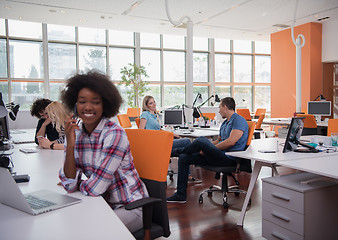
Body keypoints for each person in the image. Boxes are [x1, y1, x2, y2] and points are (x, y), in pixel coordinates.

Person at [59, 70, 148, 233]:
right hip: (100, 203)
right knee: (66, 224)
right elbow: (69, 181)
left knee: (90, 232)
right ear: (74, 105)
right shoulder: (75, 133)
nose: (88, 107)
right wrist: (70, 144)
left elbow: (94, 188)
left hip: (130, 207)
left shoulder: (114, 134)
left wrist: (78, 184)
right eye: (82, 101)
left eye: (95, 102)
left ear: (105, 105)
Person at [167, 97, 249, 203]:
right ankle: (180, 195)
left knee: (201, 140)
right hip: (218, 155)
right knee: (184, 158)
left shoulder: (239, 120)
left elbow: (231, 142)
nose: (219, 111)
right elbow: (218, 141)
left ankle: (173, 152)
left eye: (219, 108)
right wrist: (208, 148)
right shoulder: (225, 123)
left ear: (225, 107)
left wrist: (209, 148)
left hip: (229, 158)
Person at [139, 95, 200, 183]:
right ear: (146, 105)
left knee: (183, 151)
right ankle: (197, 157)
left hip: (161, 142)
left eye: (154, 102)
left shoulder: (154, 115)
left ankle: (188, 176)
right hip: (156, 144)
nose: (153, 104)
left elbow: (159, 130)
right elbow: (141, 131)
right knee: (186, 141)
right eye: (150, 103)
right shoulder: (145, 114)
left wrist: (171, 134)